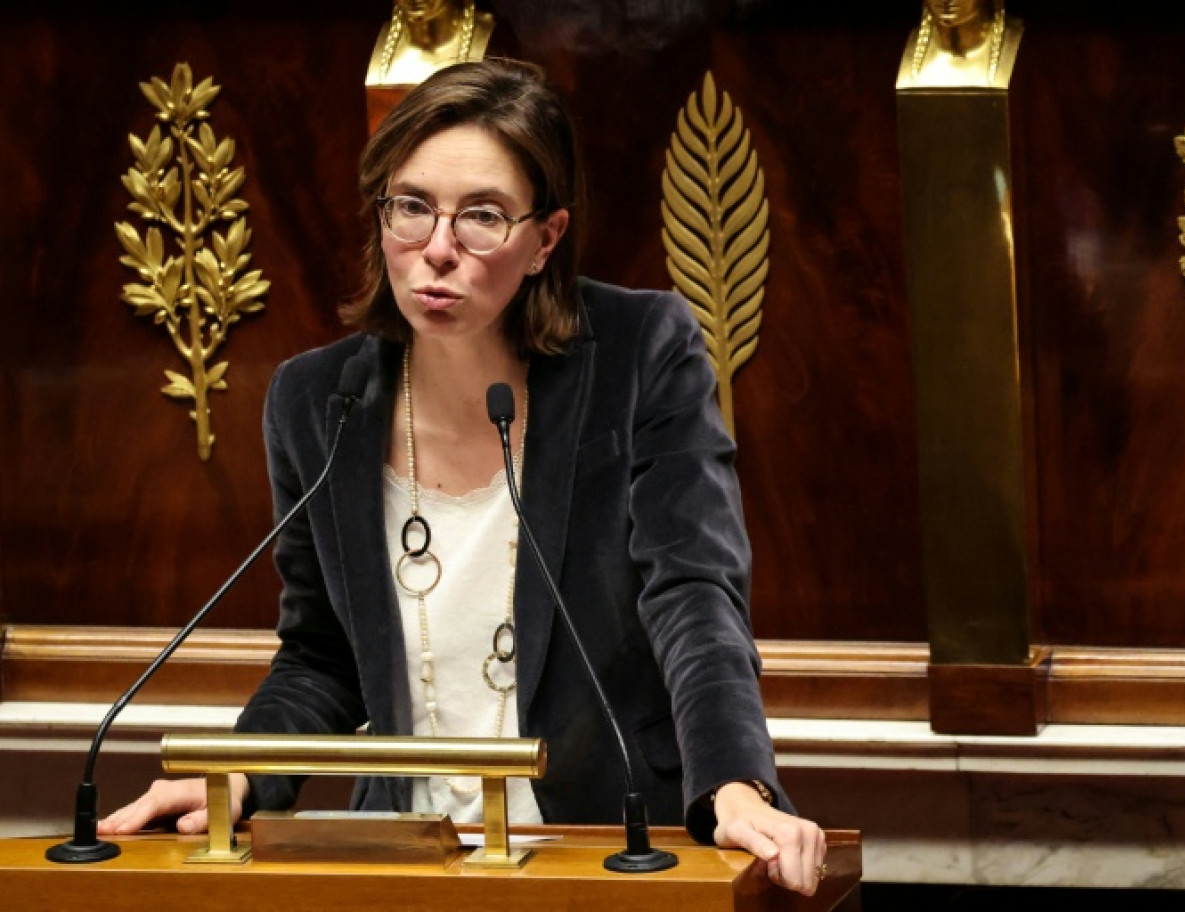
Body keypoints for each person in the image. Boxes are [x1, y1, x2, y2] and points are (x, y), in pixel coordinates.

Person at [99, 57, 827, 894]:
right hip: (407, 863)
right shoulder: (315, 401)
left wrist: (736, 782)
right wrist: (240, 774)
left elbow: (694, 596)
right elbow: (323, 654)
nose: (437, 251)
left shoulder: (640, 353)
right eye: (411, 208)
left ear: (545, 237)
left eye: (482, 217)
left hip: (606, 849)